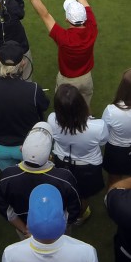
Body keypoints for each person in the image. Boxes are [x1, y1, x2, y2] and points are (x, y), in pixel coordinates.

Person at [24, 0, 98, 109]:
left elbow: (44, 14)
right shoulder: (92, 27)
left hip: (67, 81)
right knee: (84, 109)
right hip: (86, 79)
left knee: (63, 110)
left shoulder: (63, 38)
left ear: (67, 19)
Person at [0, 122, 82, 237]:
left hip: (26, 231)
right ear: (49, 154)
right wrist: (56, 231)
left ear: (22, 149)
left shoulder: (7, 177)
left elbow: (6, 210)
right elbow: (73, 210)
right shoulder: (64, 178)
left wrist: (25, 231)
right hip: (58, 233)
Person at [0, 40, 51, 170]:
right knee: (31, 178)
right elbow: (44, 106)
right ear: (23, 63)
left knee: (9, 177)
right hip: (27, 147)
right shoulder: (33, 90)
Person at [48, 84, 108, 222]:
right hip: (88, 166)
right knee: (83, 195)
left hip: (61, 161)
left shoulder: (51, 119)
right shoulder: (98, 126)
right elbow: (103, 142)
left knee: (65, 189)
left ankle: (71, 212)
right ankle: (80, 216)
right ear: (81, 104)